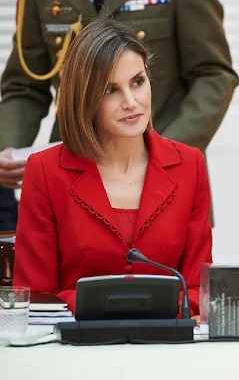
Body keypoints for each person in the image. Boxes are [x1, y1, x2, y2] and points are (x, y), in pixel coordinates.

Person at [12, 19, 212, 316]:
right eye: (110, 90)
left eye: (138, 82)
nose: (131, 102)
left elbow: (199, 291)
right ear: (85, 99)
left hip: (167, 351)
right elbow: (35, 296)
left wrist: (104, 301)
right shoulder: (44, 171)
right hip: (74, 351)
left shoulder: (190, 164)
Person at [0, 0, 239, 230]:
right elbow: (25, 84)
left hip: (163, 180)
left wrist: (162, 156)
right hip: (72, 174)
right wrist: (9, 148)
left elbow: (213, 75)